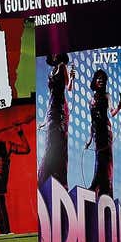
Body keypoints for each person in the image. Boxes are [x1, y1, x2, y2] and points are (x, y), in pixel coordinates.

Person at [84, 69, 121, 197]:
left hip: (106, 132)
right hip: (96, 134)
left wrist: (119, 107)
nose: (100, 80)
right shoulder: (91, 99)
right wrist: (89, 140)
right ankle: (97, 189)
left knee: (104, 161)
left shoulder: (107, 96)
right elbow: (92, 121)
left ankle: (103, 190)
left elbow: (111, 112)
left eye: (103, 79)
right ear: (95, 81)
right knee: (98, 160)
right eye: (98, 78)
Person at [39, 53, 73, 187]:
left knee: (57, 144)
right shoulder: (52, 71)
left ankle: (58, 181)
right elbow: (51, 97)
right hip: (52, 109)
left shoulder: (62, 66)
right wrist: (44, 120)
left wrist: (72, 78)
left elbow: (68, 87)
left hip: (60, 110)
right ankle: (47, 180)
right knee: (50, 144)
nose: (54, 54)